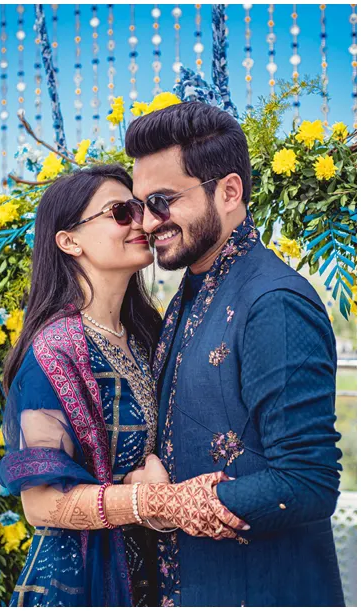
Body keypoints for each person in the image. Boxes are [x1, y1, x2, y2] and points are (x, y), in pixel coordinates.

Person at [124, 101, 344, 606]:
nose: (149, 222)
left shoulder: (274, 303)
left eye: (162, 200)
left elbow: (308, 482)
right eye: (139, 205)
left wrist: (165, 504)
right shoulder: (191, 293)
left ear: (228, 191)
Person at [0, 165, 246, 607]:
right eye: (121, 212)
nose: (143, 222)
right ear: (69, 240)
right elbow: (40, 506)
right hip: (81, 581)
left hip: (152, 574)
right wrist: (155, 501)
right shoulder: (55, 352)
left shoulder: (150, 332)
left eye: (144, 208)